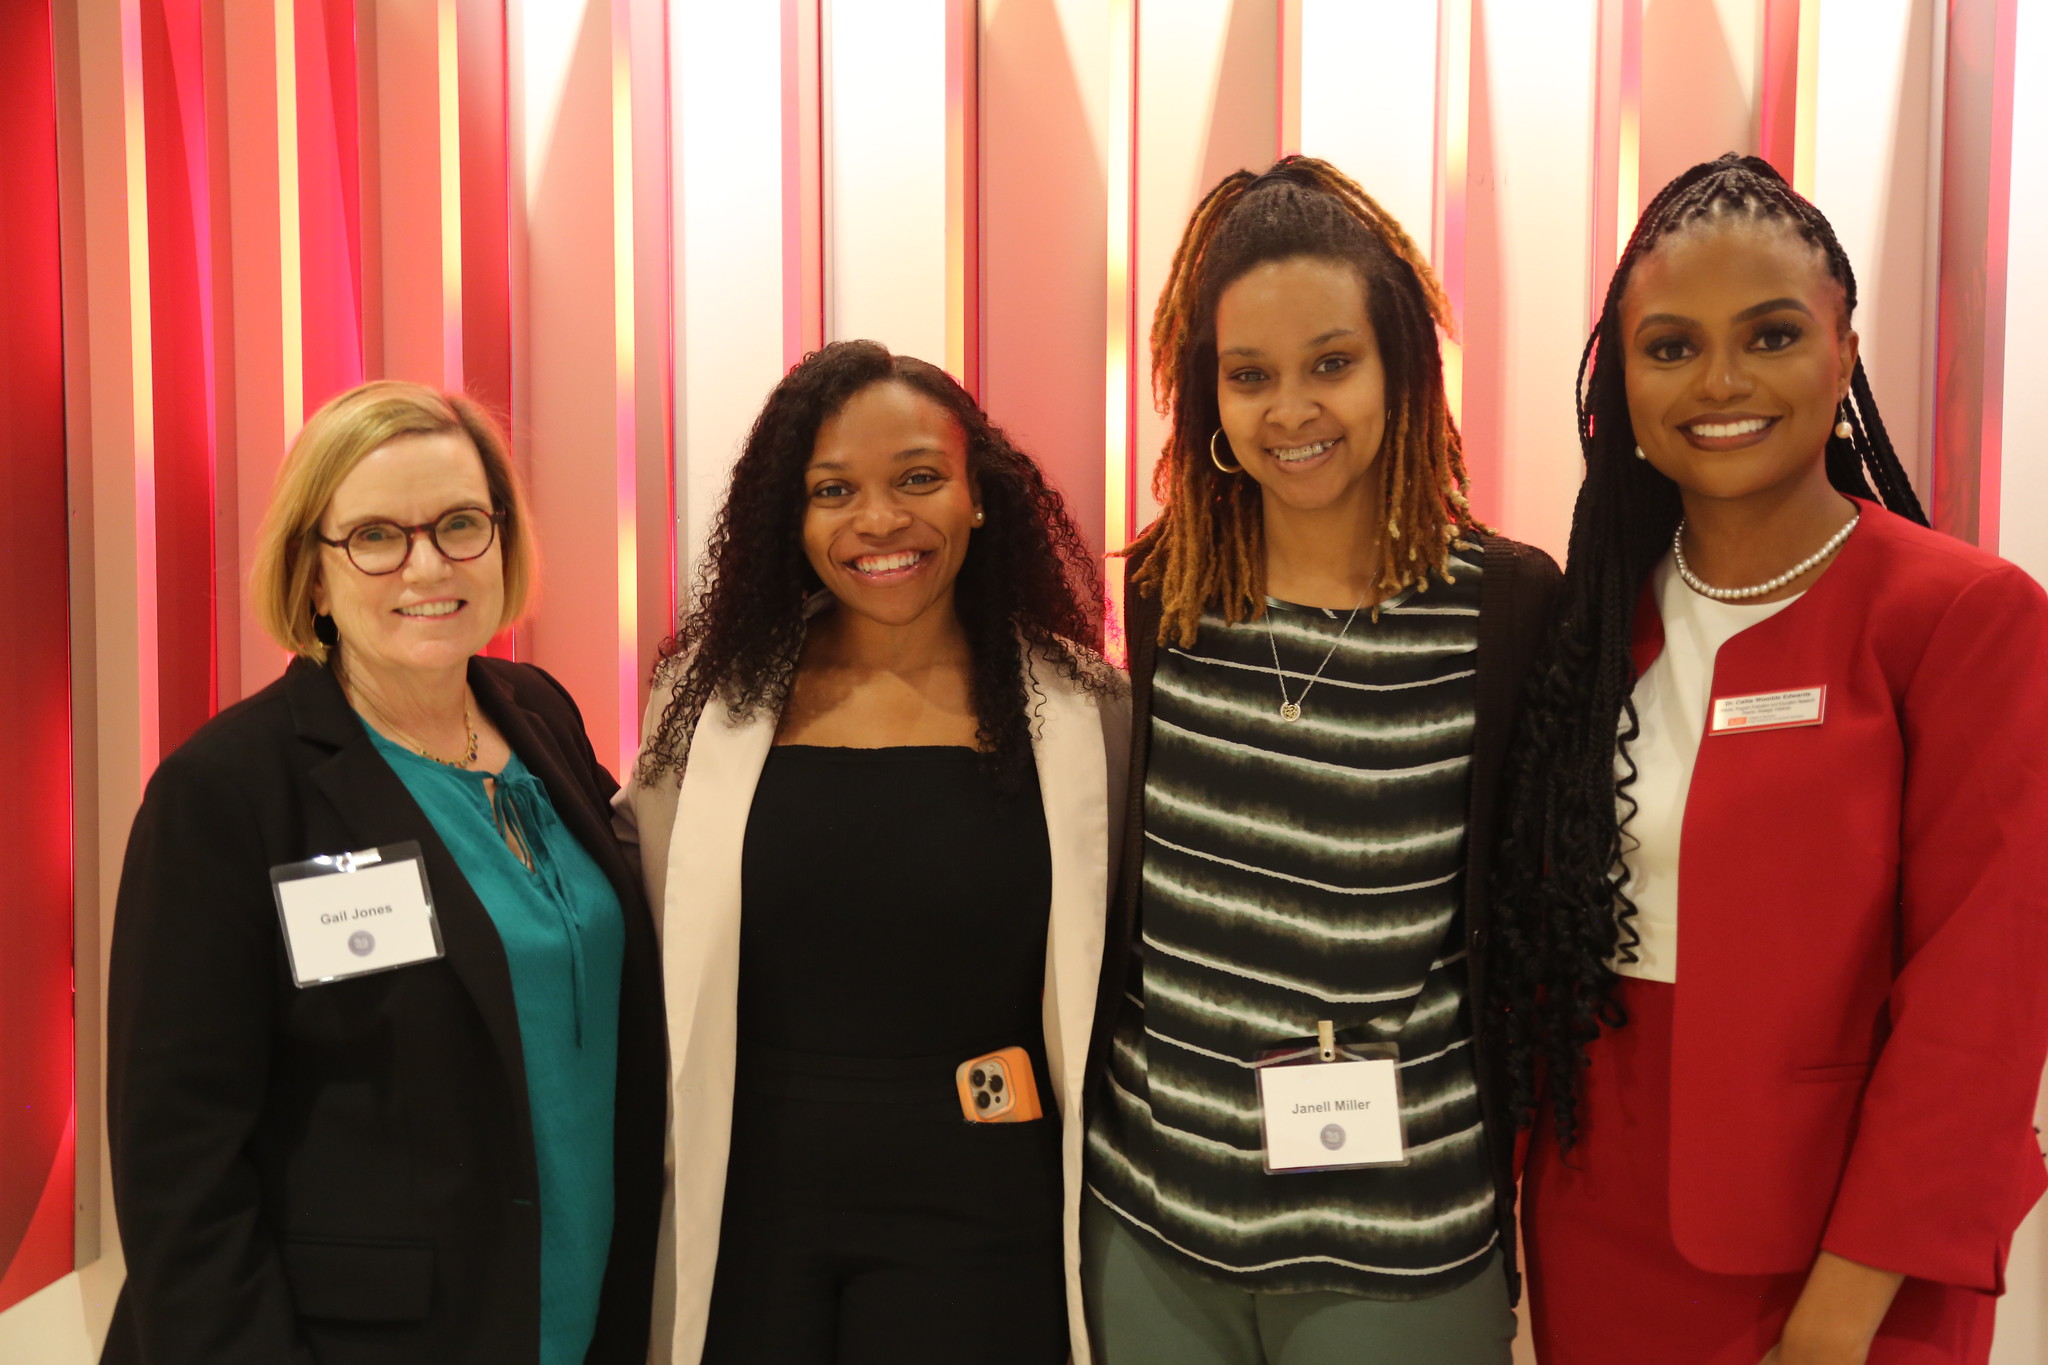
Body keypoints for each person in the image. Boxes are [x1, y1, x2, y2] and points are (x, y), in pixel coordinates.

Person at [1492, 154, 2048, 1365]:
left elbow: (1979, 1006)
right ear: (1620, 386)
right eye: (1670, 347)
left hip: (1851, 1257)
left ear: (1844, 353)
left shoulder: (1958, 616)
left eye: (1771, 334)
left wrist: (1837, 1321)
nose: (1720, 382)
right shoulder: (1590, 627)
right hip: (1601, 1230)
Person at [1080, 156, 1560, 1365]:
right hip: (1157, 1216)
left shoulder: (1499, 610)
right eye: (1250, 377)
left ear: (1399, 365)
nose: (1290, 409)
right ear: (1208, 399)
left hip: (1398, 1241)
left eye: (1329, 364)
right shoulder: (1166, 590)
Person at [102, 381, 666, 1364]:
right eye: (374, 535)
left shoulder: (538, 717)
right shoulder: (227, 793)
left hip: (578, 1307)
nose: (426, 564)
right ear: (312, 573)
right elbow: (178, 1169)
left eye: (458, 525)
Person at [618, 340, 1127, 1365]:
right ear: (788, 518)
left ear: (978, 496)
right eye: (832, 490)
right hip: (752, 1197)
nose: (879, 520)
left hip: (981, 1201)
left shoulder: (1086, 712)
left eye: (918, 478)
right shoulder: (705, 707)